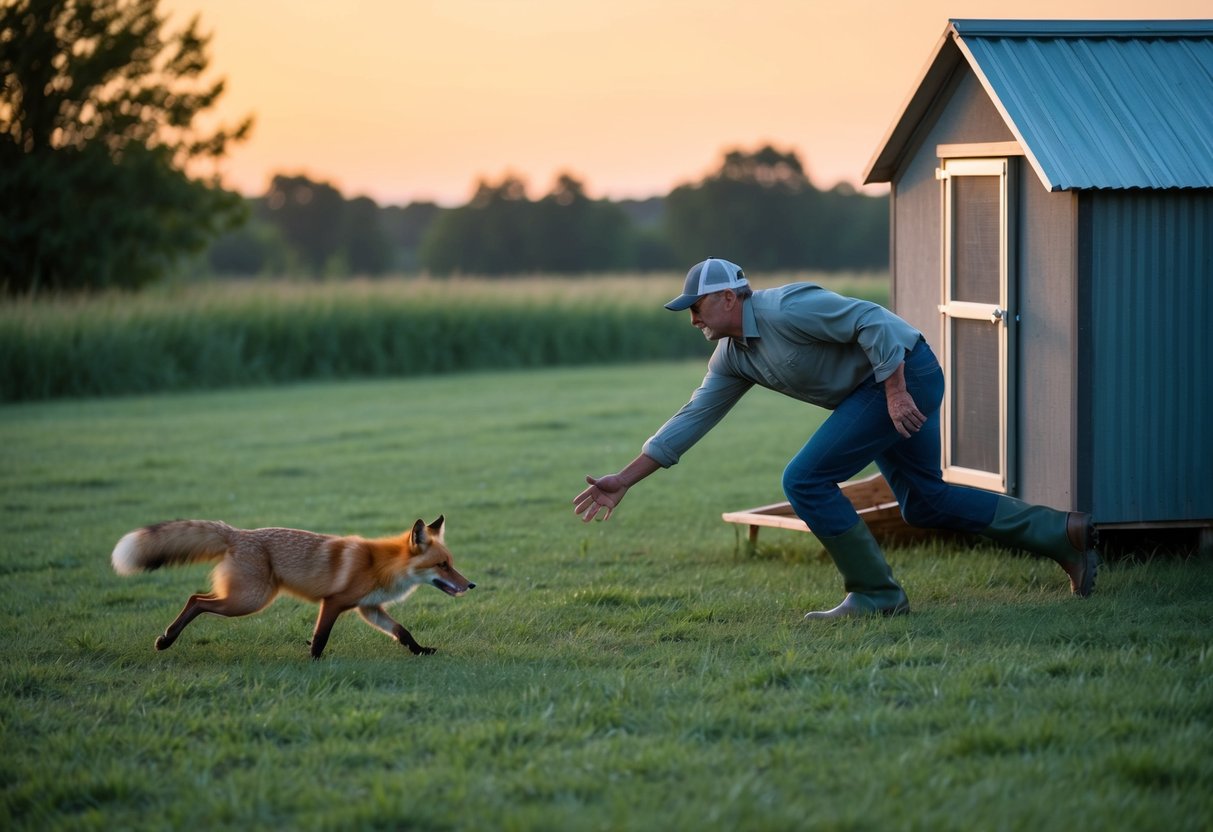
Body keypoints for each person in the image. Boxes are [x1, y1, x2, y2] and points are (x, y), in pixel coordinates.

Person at [572, 257, 1099, 619]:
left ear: (729, 298)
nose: (690, 318)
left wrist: (893, 392)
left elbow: (875, 322)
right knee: (923, 503)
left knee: (805, 480)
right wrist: (626, 479)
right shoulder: (733, 356)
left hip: (904, 375)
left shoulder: (786, 308)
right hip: (877, 392)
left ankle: (876, 595)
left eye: (696, 306)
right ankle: (1061, 534)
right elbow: (690, 419)